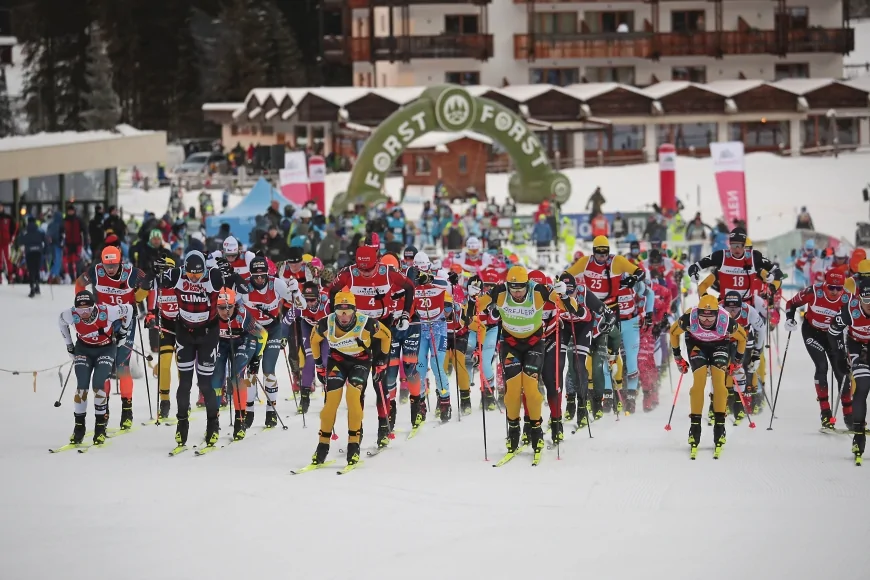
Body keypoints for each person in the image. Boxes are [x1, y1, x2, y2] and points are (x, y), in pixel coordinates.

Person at [476, 265, 582, 461]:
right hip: (510, 345)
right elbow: (476, 307)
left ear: (527, 284)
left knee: (532, 388)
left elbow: (573, 309)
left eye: (521, 288)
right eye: (513, 288)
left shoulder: (539, 291)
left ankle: (536, 432)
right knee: (513, 390)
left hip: (534, 343)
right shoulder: (500, 292)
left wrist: (564, 295)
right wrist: (473, 295)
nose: (517, 293)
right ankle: (514, 433)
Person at [308, 291, 391, 467]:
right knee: (331, 402)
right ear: (334, 310)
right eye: (339, 311)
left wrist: (382, 361)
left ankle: (353, 445)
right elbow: (313, 341)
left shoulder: (367, 323)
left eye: (348, 311)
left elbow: (387, 335)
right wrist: (318, 365)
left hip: (360, 361)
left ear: (354, 310)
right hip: (337, 361)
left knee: (353, 398)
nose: (344, 316)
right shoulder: (326, 323)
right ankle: (322, 446)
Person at [155, 250, 226, 452]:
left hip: (207, 334)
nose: (194, 278)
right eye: (191, 274)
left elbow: (228, 282)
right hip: (184, 333)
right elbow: (155, 283)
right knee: (184, 383)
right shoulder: (178, 275)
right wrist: (156, 272)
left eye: (198, 274)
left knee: (205, 383)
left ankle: (213, 424)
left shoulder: (211, 276)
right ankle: (182, 424)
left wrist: (226, 272)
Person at [74, 246, 150, 429]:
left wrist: (138, 299)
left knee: (122, 364)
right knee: (105, 366)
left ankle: (127, 409)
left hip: (125, 321)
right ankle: (104, 408)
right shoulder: (95, 271)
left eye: (113, 265)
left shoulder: (131, 272)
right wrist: (83, 307)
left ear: (120, 261)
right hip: (103, 322)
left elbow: (149, 284)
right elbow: (79, 284)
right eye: (107, 265)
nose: (110, 269)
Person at [669, 294, 748, 459]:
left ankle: (720, 426)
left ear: (717, 314)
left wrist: (738, 362)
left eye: (710, 317)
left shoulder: (726, 321)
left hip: (719, 345)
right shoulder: (689, 318)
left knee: (719, 383)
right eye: (702, 317)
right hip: (697, 345)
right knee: (699, 383)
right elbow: (673, 332)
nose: (705, 321)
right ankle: (695, 427)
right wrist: (678, 358)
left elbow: (743, 338)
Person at [58, 290, 133, 447]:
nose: (84, 313)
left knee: (98, 384)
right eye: (80, 310)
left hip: (105, 349)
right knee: (82, 387)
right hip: (83, 349)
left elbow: (129, 309)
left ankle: (100, 427)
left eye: (87, 309)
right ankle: (79, 427)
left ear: (94, 307)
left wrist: (123, 333)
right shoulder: (71, 314)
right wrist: (69, 346)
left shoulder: (107, 311)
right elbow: (60, 321)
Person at [785, 268, 852, 430]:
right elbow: (791, 303)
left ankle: (849, 415)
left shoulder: (848, 298)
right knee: (822, 366)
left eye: (838, 288)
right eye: (831, 287)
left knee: (842, 373)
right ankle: (825, 413)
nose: (835, 292)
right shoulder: (814, 292)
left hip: (833, 336)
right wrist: (789, 318)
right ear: (825, 284)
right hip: (812, 332)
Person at [244, 256, 303, 428]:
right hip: (253, 330)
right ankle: (249, 410)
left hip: (272, 329)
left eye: (263, 275)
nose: (260, 279)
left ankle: (271, 411)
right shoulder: (244, 286)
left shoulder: (276, 284)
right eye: (256, 276)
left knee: (268, 370)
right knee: (251, 371)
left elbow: (301, 305)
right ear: (251, 275)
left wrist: (296, 292)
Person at [214, 287, 266, 441]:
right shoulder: (211, 316)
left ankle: (240, 420)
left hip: (244, 341)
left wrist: (257, 357)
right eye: (221, 308)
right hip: (223, 342)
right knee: (216, 378)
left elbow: (262, 334)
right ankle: (213, 420)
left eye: (229, 307)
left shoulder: (241, 315)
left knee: (236, 375)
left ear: (234, 305)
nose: (225, 311)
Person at [828, 278, 870, 464]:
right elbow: (832, 331)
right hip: (857, 347)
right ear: (859, 298)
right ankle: (859, 435)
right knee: (862, 387)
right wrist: (839, 357)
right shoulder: (850, 310)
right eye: (867, 301)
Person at [18, 217, 45, 298]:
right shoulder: (40, 231)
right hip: (38, 252)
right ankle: (37, 286)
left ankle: (32, 288)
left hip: (29, 252)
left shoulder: (24, 231)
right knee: (37, 269)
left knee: (31, 270)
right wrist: (45, 251)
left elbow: (20, 241)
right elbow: (45, 240)